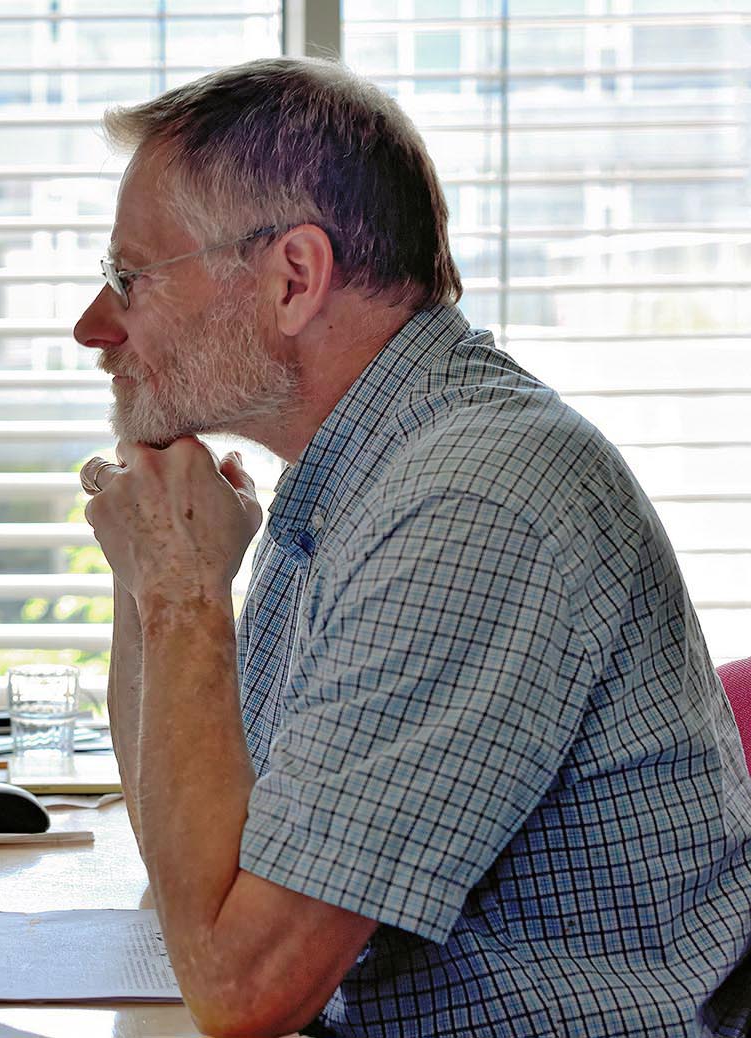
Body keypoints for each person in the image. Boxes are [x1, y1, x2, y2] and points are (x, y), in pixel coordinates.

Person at [74, 57, 751, 1037]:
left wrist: (181, 594)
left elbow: (241, 989)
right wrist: (154, 580)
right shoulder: (358, 475)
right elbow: (197, 885)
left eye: (128, 278)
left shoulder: (467, 509)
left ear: (293, 279)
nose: (93, 327)